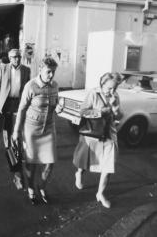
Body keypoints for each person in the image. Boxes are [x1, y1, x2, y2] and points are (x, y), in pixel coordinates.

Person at [12, 57, 62, 205]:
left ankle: (42, 186)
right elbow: (21, 109)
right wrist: (16, 131)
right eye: (48, 72)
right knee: (31, 163)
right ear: (40, 69)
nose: (51, 75)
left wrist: (58, 107)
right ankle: (31, 188)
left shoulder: (55, 85)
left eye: (53, 72)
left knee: (50, 163)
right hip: (31, 130)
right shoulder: (31, 86)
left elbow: (56, 102)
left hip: (49, 128)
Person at [73, 72, 122, 208]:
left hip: (109, 134)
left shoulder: (115, 96)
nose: (112, 91)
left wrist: (116, 108)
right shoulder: (93, 94)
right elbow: (83, 112)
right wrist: (103, 111)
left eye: (115, 88)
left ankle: (100, 193)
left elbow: (119, 116)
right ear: (102, 84)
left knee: (108, 166)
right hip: (92, 132)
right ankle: (79, 173)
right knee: (86, 161)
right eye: (109, 88)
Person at [0, 49, 31, 190]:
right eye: (14, 57)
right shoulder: (3, 68)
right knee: (8, 137)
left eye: (19, 57)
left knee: (18, 137)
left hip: (19, 104)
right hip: (6, 104)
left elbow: (28, 89)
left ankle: (18, 170)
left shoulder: (26, 70)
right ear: (9, 58)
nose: (17, 59)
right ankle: (17, 173)